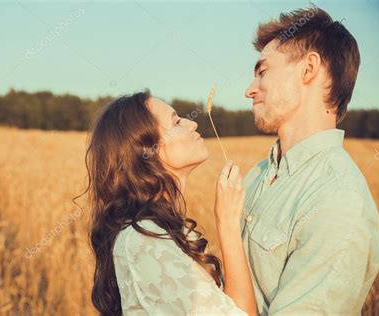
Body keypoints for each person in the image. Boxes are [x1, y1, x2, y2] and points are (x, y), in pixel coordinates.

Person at [242, 6, 379, 315]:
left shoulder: (339, 201)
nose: (250, 90)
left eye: (263, 71)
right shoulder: (257, 174)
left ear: (308, 69)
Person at [83, 91, 258, 315]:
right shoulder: (144, 239)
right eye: (176, 121)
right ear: (146, 150)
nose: (192, 124)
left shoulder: (169, 231)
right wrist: (228, 225)